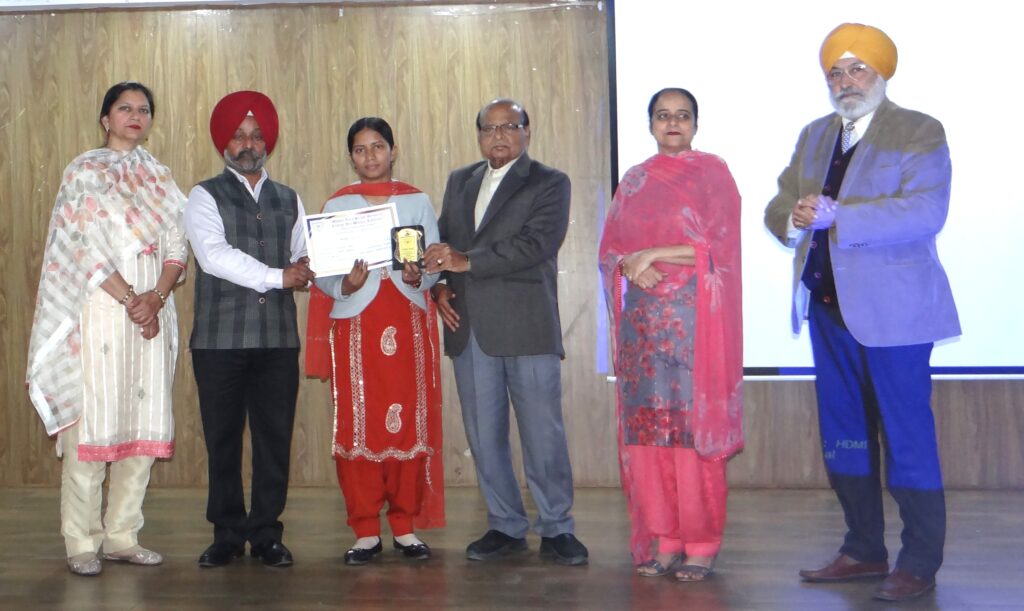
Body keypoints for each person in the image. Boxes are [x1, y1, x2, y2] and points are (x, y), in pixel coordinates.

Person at [764, 23, 960, 602]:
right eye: (835, 71)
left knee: (906, 437)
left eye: (857, 68)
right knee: (845, 437)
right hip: (828, 312)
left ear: (881, 73)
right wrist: (793, 216)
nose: (845, 81)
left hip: (896, 317)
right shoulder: (814, 134)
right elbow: (780, 199)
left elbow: (926, 211)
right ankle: (863, 549)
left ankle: (919, 562)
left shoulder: (919, 129)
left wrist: (839, 217)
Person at [26, 81, 187, 576]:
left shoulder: (159, 176)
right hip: (99, 314)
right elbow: (83, 249)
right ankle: (81, 540)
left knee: (141, 425)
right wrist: (131, 298)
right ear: (105, 119)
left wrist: (156, 298)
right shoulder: (84, 173)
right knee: (91, 432)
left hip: (151, 319)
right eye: (125, 108)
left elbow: (176, 247)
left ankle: (122, 535)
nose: (135, 116)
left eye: (144, 109)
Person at [423, 98, 588, 566]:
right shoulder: (460, 180)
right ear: (479, 135)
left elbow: (536, 245)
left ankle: (557, 527)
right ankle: (504, 525)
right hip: (470, 327)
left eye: (509, 126)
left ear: (526, 132)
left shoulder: (550, 182)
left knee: (542, 434)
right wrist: (440, 285)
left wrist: (465, 262)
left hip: (526, 326)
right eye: (489, 128)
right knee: (484, 435)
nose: (498, 136)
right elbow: (443, 243)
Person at [599, 88, 743, 582]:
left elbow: (721, 248)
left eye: (683, 115)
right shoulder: (634, 180)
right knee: (649, 435)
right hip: (642, 329)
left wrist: (652, 254)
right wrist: (629, 265)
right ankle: (664, 539)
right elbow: (610, 251)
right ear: (651, 124)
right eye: (663, 116)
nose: (673, 123)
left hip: (694, 327)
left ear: (696, 124)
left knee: (689, 435)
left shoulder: (712, 173)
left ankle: (701, 542)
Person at [305, 117, 445, 565]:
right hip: (355, 325)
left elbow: (435, 261)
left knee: (408, 423)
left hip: (407, 323)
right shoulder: (337, 204)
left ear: (393, 150)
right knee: (357, 424)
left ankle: (404, 526)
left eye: (378, 146)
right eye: (361, 149)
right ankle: (365, 530)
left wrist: (420, 276)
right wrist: (343, 284)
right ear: (351, 156)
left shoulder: (417, 200)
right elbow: (323, 274)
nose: (370, 156)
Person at [184, 90, 314, 568]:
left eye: (257, 136)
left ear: (268, 142)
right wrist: (280, 276)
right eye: (238, 136)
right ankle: (226, 534)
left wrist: (317, 265)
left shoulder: (289, 198)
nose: (248, 144)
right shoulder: (203, 195)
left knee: (273, 439)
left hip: (277, 338)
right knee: (222, 440)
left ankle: (265, 534)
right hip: (219, 340)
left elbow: (305, 252)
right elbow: (214, 257)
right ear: (224, 142)